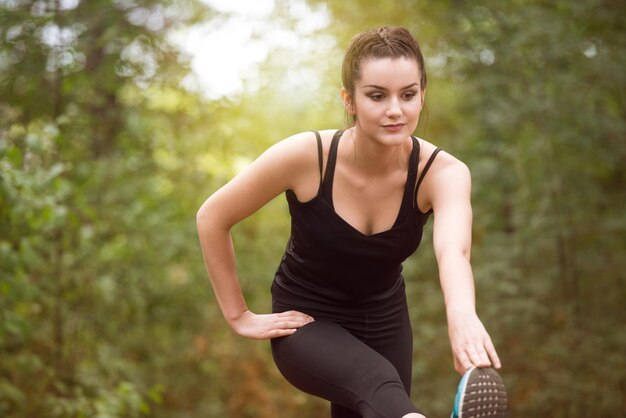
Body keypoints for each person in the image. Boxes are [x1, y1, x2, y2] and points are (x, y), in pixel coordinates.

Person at [196, 26, 507, 418]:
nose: (395, 109)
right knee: (377, 381)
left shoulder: (443, 173)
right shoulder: (306, 157)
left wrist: (462, 316)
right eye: (377, 95)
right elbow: (212, 217)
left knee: (377, 400)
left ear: (422, 96)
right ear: (350, 100)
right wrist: (238, 315)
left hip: (384, 319)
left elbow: (453, 251)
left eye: (408, 95)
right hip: (307, 321)